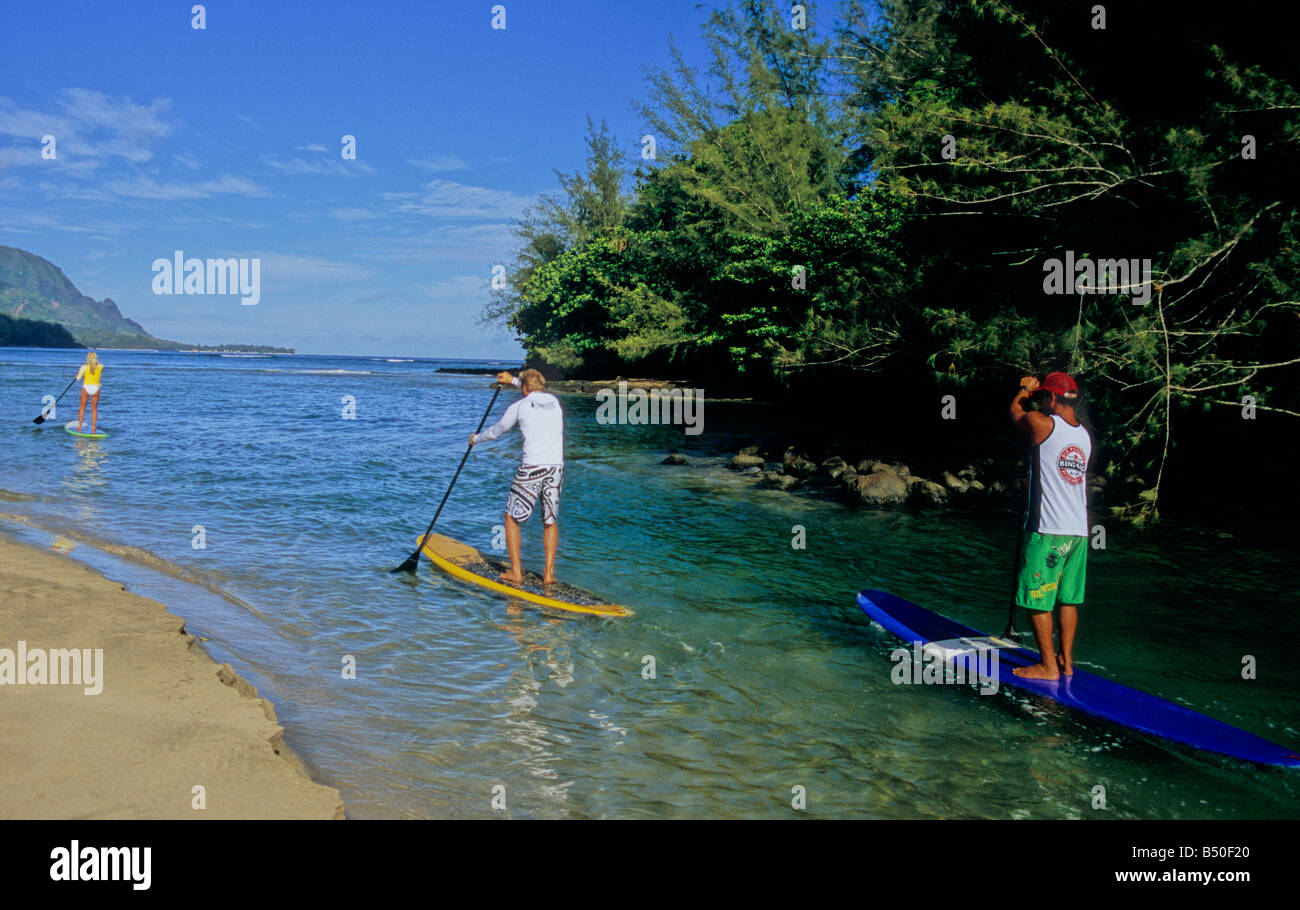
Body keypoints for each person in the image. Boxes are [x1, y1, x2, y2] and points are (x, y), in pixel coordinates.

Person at [1008, 371, 1092, 680]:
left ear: (1052, 398)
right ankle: (1066, 662)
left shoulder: (1041, 424)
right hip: (1078, 531)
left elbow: (1016, 414)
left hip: (1048, 529)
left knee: (1035, 595)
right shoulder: (1084, 435)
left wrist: (1023, 390)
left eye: (1044, 396)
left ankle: (1047, 666)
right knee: (1067, 598)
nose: (1042, 402)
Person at [469, 369, 564, 585]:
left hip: (532, 468)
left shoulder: (518, 407)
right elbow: (532, 393)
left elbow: (496, 431)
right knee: (549, 520)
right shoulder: (553, 402)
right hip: (556, 468)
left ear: (523, 388)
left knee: (511, 517)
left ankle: (516, 572)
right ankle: (548, 575)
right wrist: (513, 380)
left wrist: (476, 439)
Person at [75, 351, 103, 434]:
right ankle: (93, 428)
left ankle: (79, 427)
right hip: (96, 388)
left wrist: (77, 376)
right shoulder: (101, 366)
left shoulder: (83, 367)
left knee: (82, 408)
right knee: (94, 409)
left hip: (86, 387)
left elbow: (78, 378)